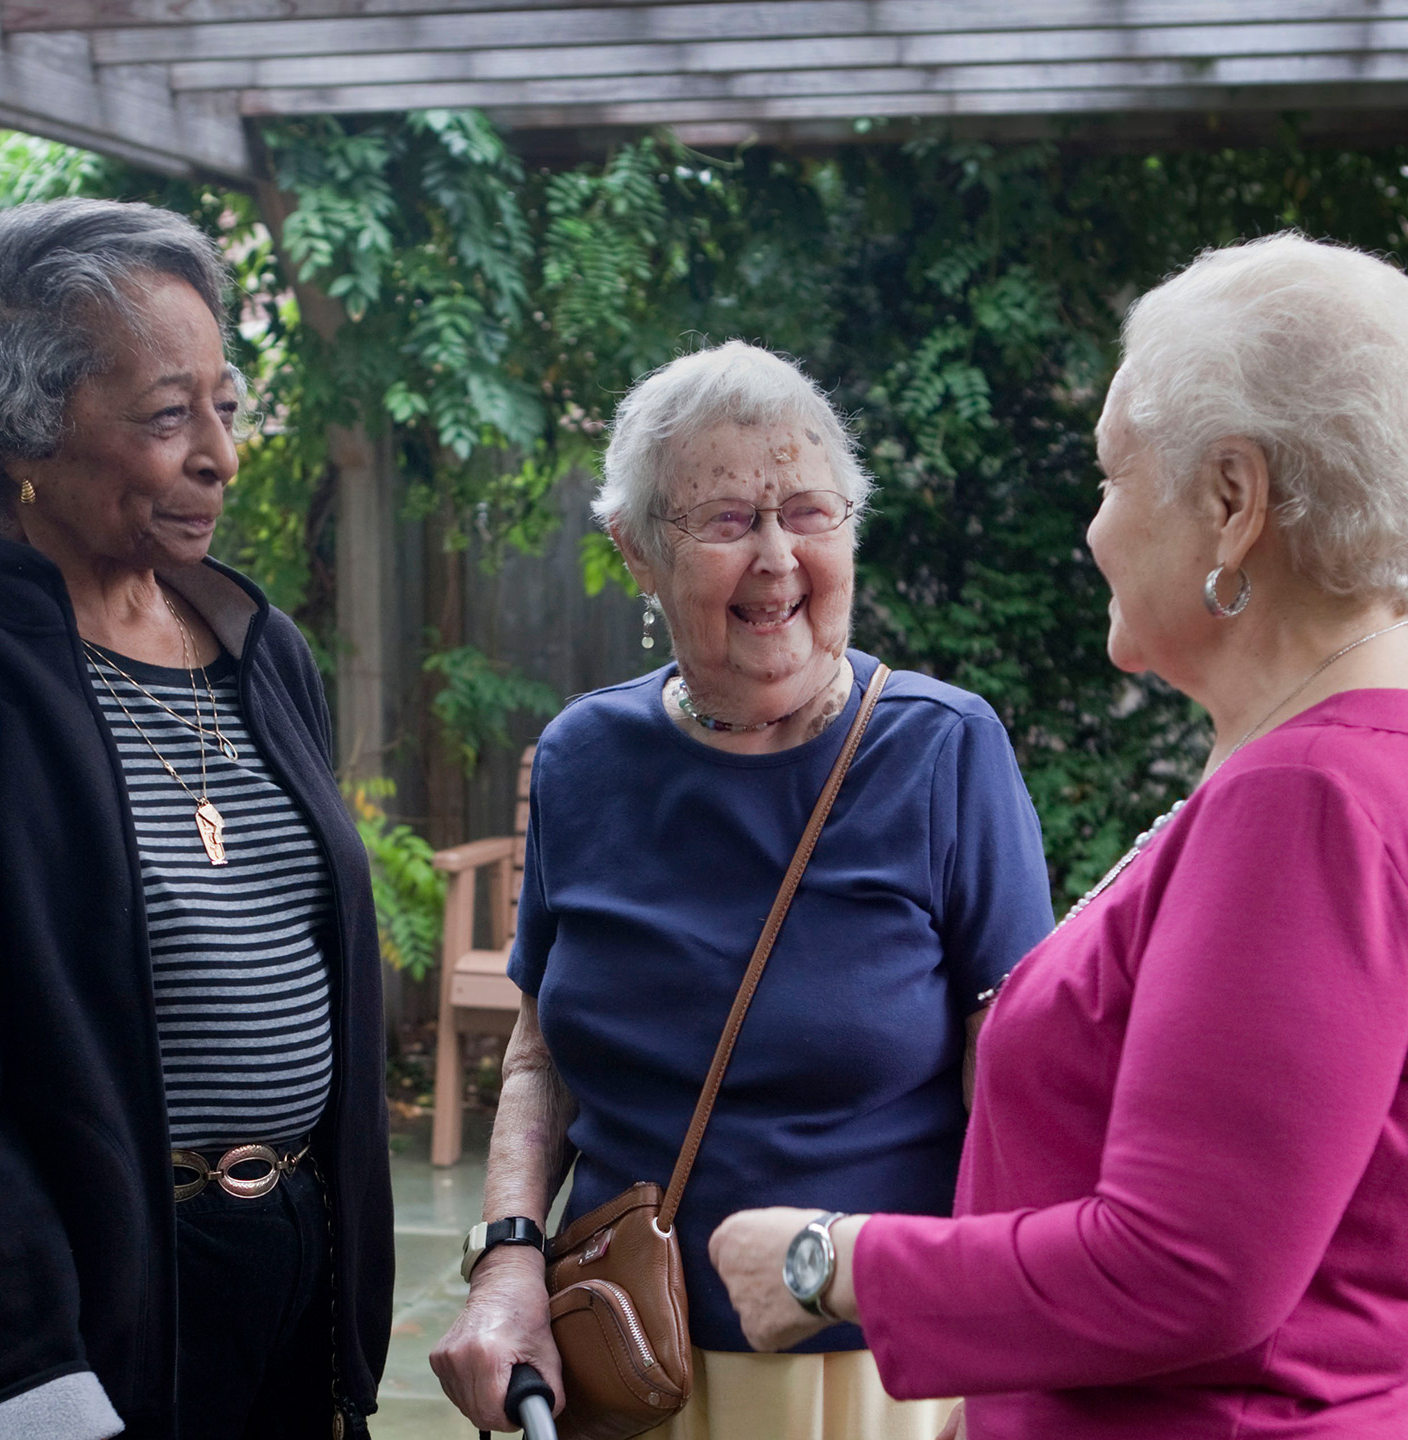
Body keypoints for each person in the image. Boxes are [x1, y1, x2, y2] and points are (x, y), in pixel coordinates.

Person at [708, 233, 1408, 1438]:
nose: (1095, 530)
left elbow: (1184, 1271)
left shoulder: (1312, 803)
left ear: (1231, 501)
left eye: (1112, 478)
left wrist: (829, 1264)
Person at [0, 198, 391, 1440]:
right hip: (83, 1325)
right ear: (21, 436)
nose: (221, 452)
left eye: (224, 402)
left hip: (296, 1287)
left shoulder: (258, 651)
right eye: (169, 415)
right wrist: (23, 1385)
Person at [430, 341, 1058, 1439]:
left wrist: (1003, 1364)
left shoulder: (944, 752)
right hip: (629, 1353)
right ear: (636, 551)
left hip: (874, 1379)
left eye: (809, 511)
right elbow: (539, 1060)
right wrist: (509, 1264)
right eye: (726, 521)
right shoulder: (586, 757)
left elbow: (1019, 1082)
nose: (778, 560)